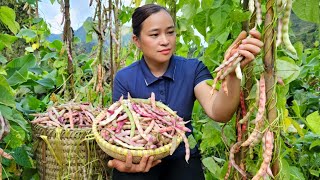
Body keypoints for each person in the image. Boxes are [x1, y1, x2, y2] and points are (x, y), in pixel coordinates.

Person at [107, 3, 263, 180]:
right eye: (155, 34)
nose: (165, 40)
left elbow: (218, 112)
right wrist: (123, 162)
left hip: (182, 155)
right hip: (140, 155)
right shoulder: (125, 78)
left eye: (170, 32)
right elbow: (118, 132)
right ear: (137, 41)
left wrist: (233, 72)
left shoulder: (192, 69)